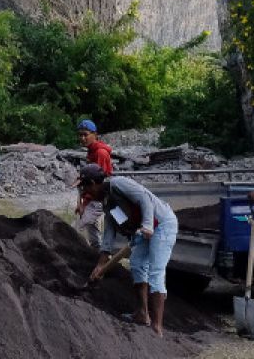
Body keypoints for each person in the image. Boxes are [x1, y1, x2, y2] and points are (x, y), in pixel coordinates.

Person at [80, 164, 178, 337]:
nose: (85, 191)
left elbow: (145, 199)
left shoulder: (118, 184)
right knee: (138, 265)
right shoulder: (108, 203)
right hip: (142, 230)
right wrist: (100, 265)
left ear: (95, 183)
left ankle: (157, 328)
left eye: (86, 186)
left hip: (161, 224)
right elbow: (109, 233)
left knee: (155, 272)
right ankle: (142, 314)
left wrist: (147, 225)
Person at [74, 120, 114, 248]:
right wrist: (80, 202)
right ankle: (98, 257)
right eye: (80, 135)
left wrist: (84, 204)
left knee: (74, 229)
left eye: (85, 134)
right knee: (93, 233)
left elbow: (97, 184)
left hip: (97, 198)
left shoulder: (100, 153)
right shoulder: (91, 151)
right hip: (92, 197)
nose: (82, 138)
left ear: (95, 134)